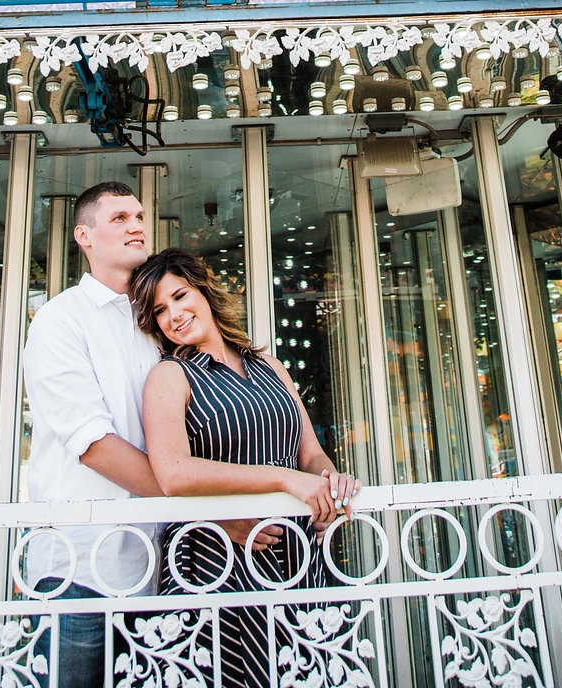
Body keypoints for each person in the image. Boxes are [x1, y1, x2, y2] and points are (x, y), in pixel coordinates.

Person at [131, 247, 360, 688]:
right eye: (160, 310)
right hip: (216, 558)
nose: (174, 315)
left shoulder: (270, 365)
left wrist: (330, 479)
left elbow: (309, 452)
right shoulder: (169, 376)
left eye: (180, 296)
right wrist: (281, 478)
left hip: (296, 554)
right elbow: (173, 473)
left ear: (205, 290)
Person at [23, 181, 161, 688]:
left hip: (155, 567)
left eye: (140, 216)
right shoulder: (61, 321)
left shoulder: (158, 320)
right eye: (120, 218)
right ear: (84, 235)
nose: (136, 225)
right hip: (79, 569)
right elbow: (93, 444)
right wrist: (202, 506)